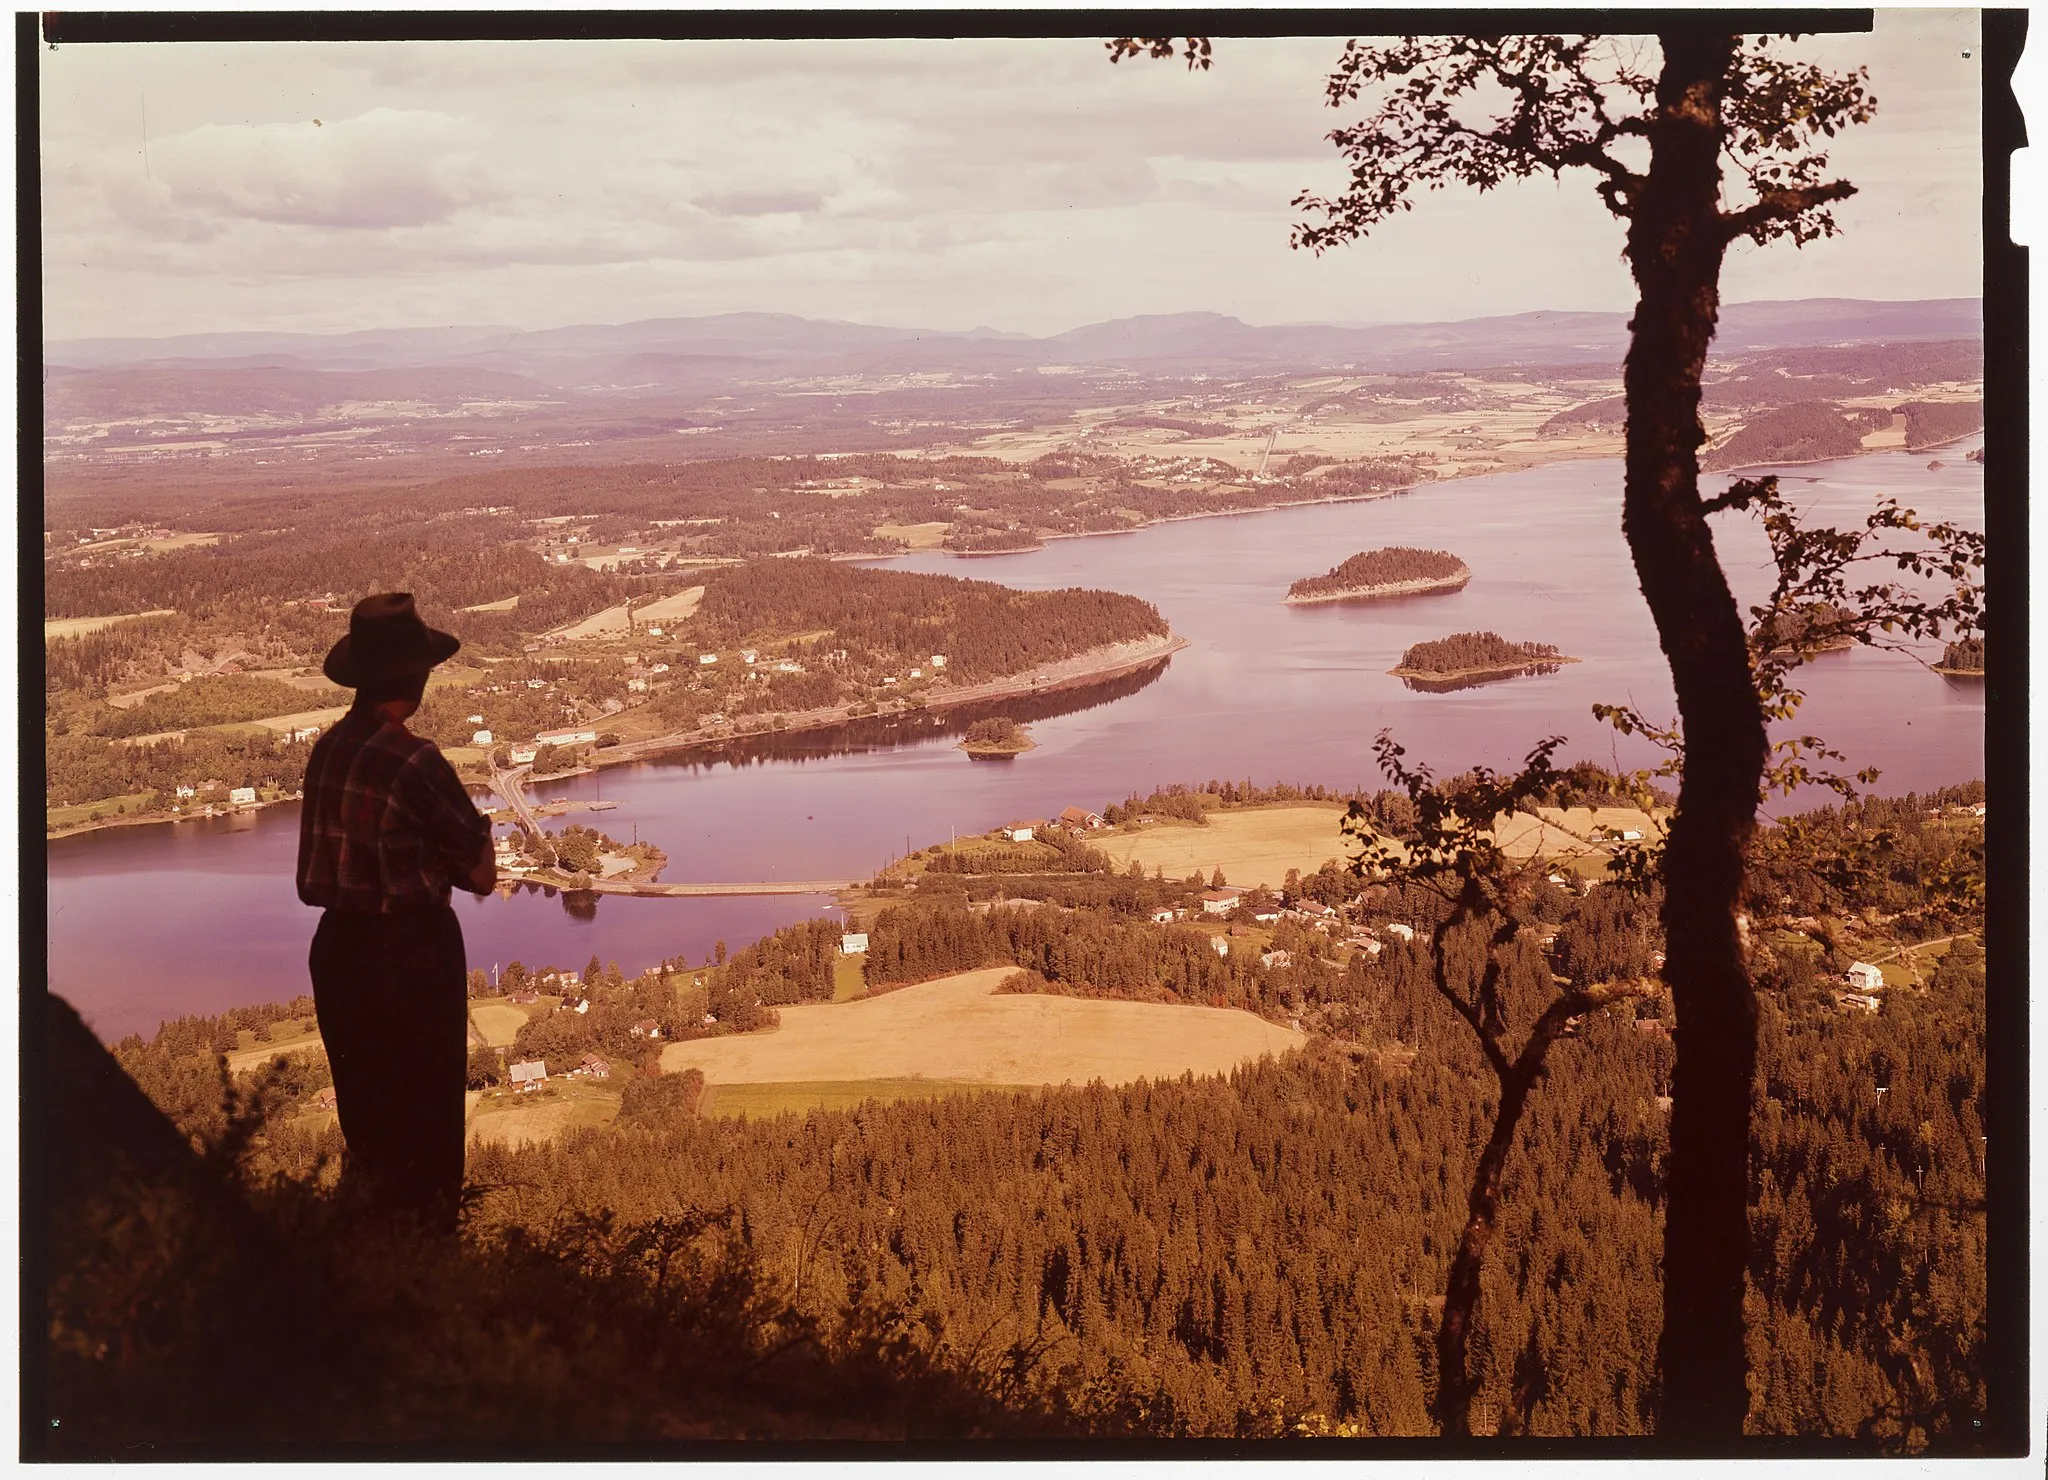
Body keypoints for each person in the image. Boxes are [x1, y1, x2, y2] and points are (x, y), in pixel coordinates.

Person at [297, 593, 495, 1229]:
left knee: (370, 1124)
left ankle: (371, 1263)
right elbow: (483, 876)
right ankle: (428, 1274)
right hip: (410, 954)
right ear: (417, 676)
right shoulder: (416, 759)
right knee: (428, 1128)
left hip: (337, 952)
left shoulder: (326, 749)